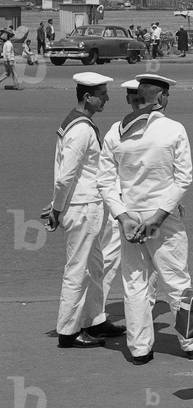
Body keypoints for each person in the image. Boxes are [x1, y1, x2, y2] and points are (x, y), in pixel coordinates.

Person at [97, 74, 193, 364]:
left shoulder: (115, 132)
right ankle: (191, 343)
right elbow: (184, 179)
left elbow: (105, 182)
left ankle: (139, 349)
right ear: (160, 98)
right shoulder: (173, 129)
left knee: (135, 283)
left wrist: (122, 217)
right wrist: (160, 216)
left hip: (130, 217)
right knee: (176, 280)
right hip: (163, 216)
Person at [43, 72, 125, 348]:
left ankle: (94, 318)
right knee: (77, 268)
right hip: (84, 206)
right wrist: (57, 208)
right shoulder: (80, 129)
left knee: (95, 266)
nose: (106, 99)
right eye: (102, 95)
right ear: (87, 97)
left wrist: (59, 203)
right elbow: (66, 175)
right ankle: (68, 330)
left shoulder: (78, 123)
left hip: (86, 203)